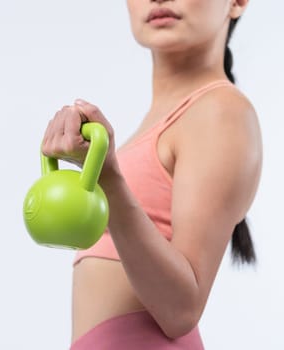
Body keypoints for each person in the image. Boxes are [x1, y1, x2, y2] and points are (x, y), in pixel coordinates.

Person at [40, 0, 262, 348]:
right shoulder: (171, 118)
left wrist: (109, 180)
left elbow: (180, 310)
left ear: (236, 3)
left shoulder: (220, 113)